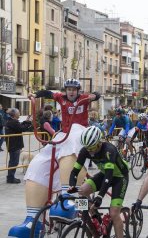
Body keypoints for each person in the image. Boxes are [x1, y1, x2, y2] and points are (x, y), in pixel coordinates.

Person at [8, 78, 100, 238]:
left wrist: (94, 96)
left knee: (70, 147)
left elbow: (97, 95)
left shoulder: (83, 99)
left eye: (74, 89)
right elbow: (47, 93)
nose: (71, 92)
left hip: (80, 132)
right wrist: (35, 95)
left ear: (78, 91)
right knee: (39, 162)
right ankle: (33, 220)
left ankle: (68, 198)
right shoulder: (60, 98)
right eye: (68, 89)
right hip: (63, 134)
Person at [68, 126, 129, 238]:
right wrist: (71, 187)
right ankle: (96, 219)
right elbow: (74, 172)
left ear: (99, 143)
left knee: (114, 213)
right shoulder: (85, 150)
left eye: (92, 148)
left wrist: (100, 197)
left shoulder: (109, 150)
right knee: (82, 191)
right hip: (104, 174)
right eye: (87, 148)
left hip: (119, 177)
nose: (90, 151)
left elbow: (109, 176)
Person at [5, 109, 33, 183]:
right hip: (14, 145)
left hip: (13, 144)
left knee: (13, 161)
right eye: (18, 113)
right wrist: (29, 121)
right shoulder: (12, 122)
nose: (19, 114)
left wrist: (26, 121)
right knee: (14, 162)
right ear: (14, 115)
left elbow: (19, 125)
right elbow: (21, 128)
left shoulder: (11, 121)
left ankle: (10, 177)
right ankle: (10, 178)